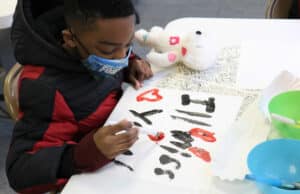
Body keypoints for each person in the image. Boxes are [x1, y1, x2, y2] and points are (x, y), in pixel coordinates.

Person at [6, 0, 153, 193]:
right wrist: (83, 154)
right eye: (109, 51)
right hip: (94, 169)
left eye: (128, 45)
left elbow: (118, 51)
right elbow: (19, 171)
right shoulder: (45, 88)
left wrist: (132, 63)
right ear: (69, 39)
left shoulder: (98, 40)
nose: (121, 58)